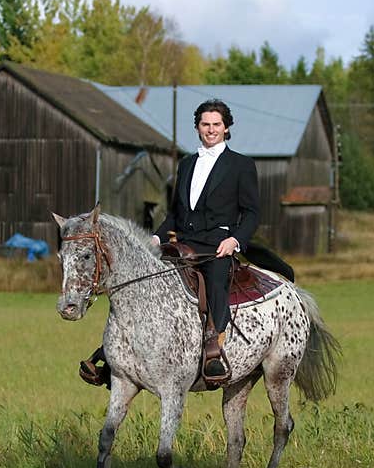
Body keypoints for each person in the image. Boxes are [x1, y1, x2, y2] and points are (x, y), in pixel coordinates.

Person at [79, 99, 261, 388]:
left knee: (215, 280)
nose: (210, 130)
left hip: (217, 244)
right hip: (184, 242)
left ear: (226, 128)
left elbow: (251, 213)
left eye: (216, 124)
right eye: (205, 124)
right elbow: (176, 213)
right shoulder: (187, 163)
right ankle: (114, 352)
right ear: (198, 128)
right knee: (140, 279)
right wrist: (156, 237)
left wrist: (235, 240)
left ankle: (213, 349)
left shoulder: (241, 165)